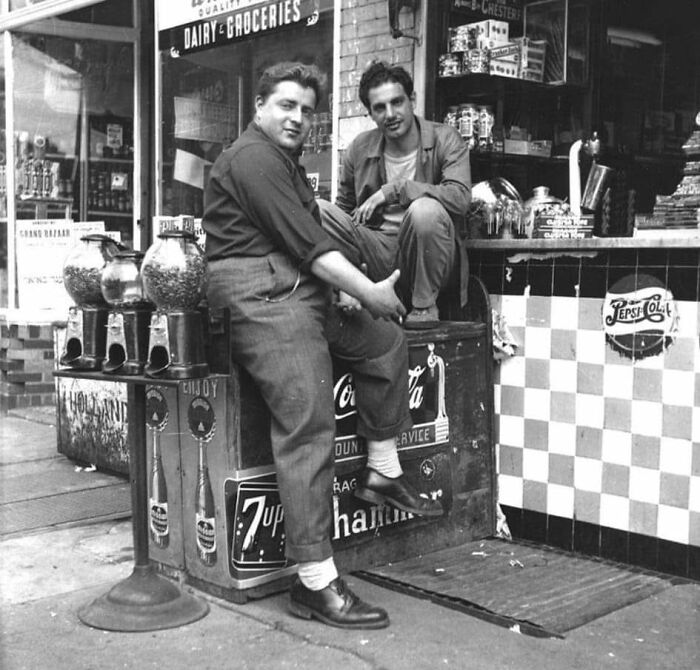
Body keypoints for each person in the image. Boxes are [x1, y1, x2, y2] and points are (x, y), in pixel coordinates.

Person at [202, 62, 443, 630]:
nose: (297, 118)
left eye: (307, 110)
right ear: (259, 106)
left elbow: (310, 247)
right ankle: (314, 581)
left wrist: (346, 299)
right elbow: (312, 247)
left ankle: (381, 470)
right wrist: (369, 291)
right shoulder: (253, 158)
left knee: (383, 342)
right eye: (286, 105)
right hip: (259, 296)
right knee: (309, 424)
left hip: (297, 285)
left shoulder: (284, 163)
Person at [319, 61, 471, 329]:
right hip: (379, 252)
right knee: (320, 211)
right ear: (370, 113)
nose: (390, 114)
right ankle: (355, 288)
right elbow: (343, 214)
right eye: (379, 107)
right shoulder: (359, 148)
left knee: (425, 210)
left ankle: (424, 307)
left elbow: (459, 198)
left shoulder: (445, 138)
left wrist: (395, 191)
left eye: (397, 102)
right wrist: (346, 282)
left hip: (430, 254)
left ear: (411, 100)